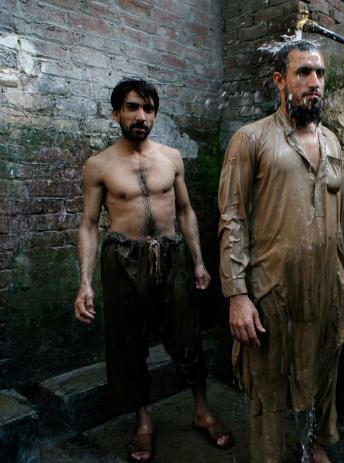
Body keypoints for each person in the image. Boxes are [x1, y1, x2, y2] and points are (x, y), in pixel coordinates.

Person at [218, 40, 344, 463]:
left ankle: (316, 444)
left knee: (323, 370)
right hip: (273, 291)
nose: (314, 82)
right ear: (280, 81)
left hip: (328, 286)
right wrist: (237, 294)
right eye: (303, 73)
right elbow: (231, 219)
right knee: (268, 384)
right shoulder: (251, 140)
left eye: (319, 73)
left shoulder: (334, 142)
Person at [74, 79, 233, 462]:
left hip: (170, 256)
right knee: (128, 345)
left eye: (148, 109)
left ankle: (201, 412)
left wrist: (197, 261)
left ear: (155, 114)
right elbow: (89, 224)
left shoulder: (171, 157)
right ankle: (143, 422)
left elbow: (184, 211)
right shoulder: (100, 165)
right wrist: (84, 284)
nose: (141, 116)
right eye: (132, 108)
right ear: (116, 114)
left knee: (187, 337)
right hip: (123, 259)